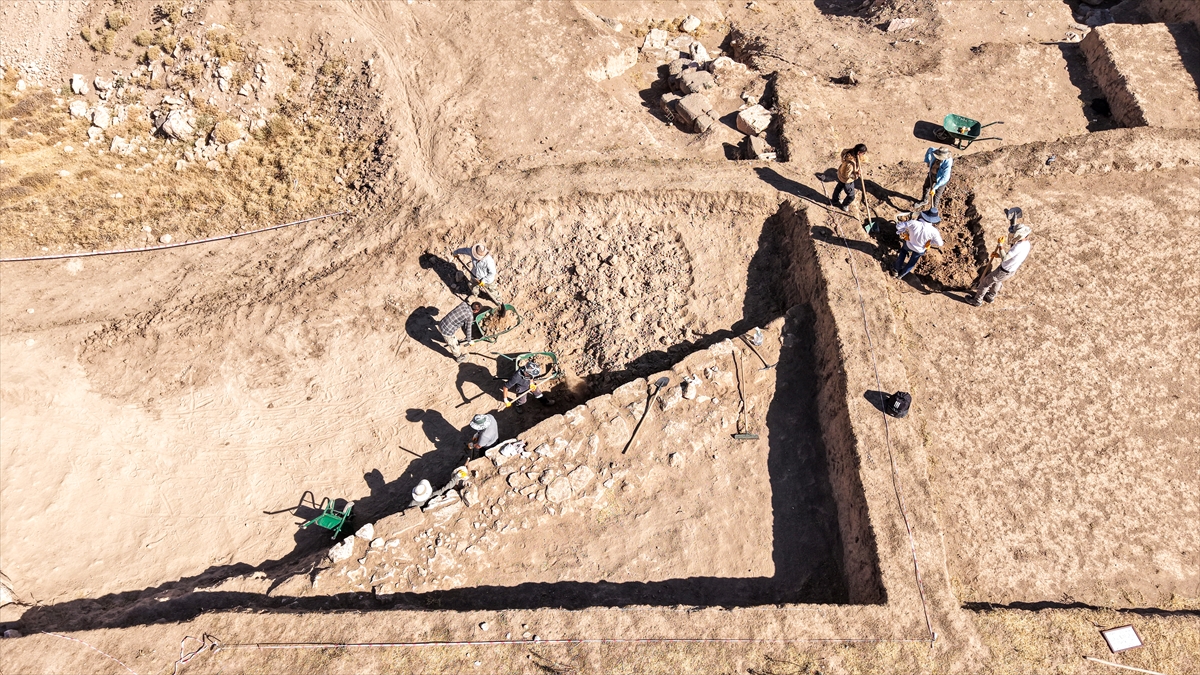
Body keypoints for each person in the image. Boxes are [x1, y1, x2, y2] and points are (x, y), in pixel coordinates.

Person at [973, 210, 1032, 306]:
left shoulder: (1018, 246)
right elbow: (1012, 256)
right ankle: (991, 296)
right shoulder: (1027, 244)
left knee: (985, 283)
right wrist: (999, 255)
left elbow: (1005, 258)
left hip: (1004, 270)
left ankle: (977, 300)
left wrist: (1000, 246)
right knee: (997, 281)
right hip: (1011, 270)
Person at [892, 208, 944, 279]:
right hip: (920, 249)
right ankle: (901, 275)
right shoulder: (934, 231)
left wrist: (904, 232)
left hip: (909, 244)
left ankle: (895, 270)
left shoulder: (913, 223)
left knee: (903, 252)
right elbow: (940, 243)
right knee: (911, 263)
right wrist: (930, 242)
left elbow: (898, 226)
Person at [914, 147, 952, 211]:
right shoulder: (933, 151)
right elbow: (929, 150)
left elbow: (945, 178)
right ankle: (924, 201)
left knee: (936, 196)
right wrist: (927, 161)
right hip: (931, 174)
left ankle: (933, 210)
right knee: (926, 186)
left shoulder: (948, 162)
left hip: (940, 179)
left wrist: (935, 188)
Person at [832, 144, 868, 212]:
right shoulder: (850, 164)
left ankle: (834, 200)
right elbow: (847, 175)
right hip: (847, 180)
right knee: (851, 196)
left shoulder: (848, 152)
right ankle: (844, 205)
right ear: (858, 152)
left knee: (839, 187)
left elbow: (842, 153)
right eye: (863, 153)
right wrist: (856, 174)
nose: (863, 154)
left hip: (841, 173)